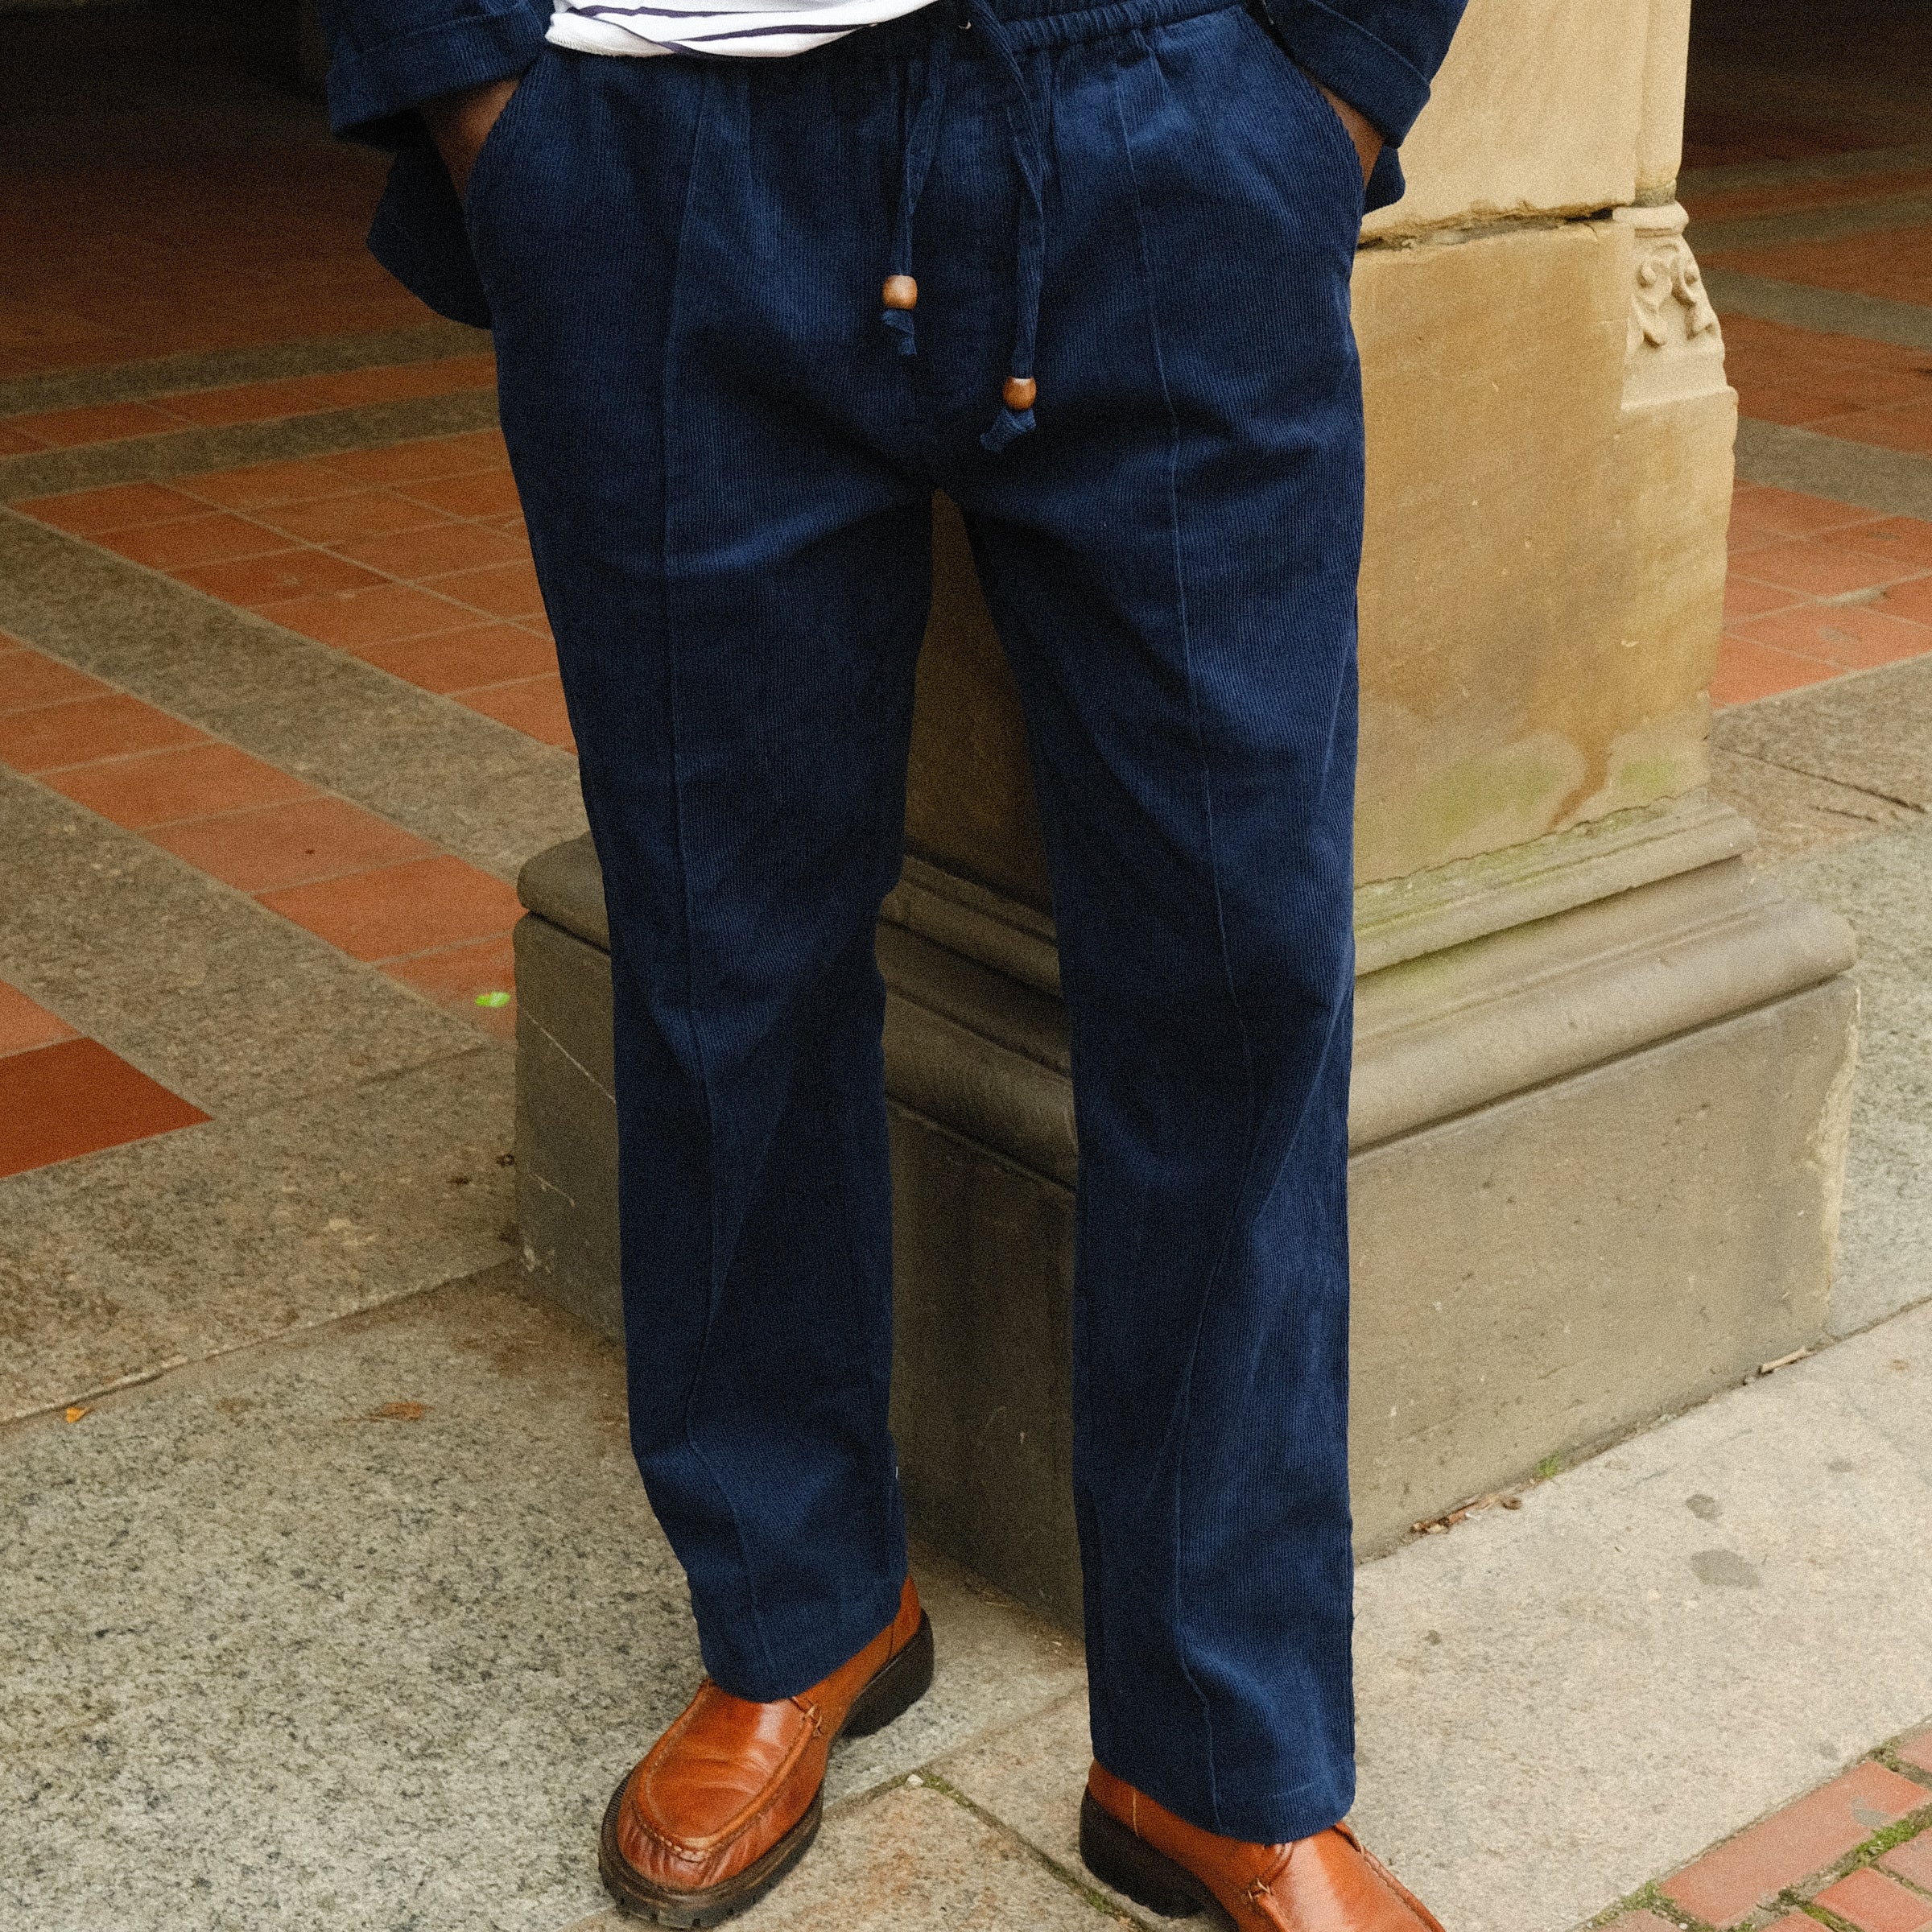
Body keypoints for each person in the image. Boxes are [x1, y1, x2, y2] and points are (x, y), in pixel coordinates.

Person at [320, 0, 1468, 1914]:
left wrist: (1326, 84)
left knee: (1239, 973)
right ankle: (796, 1611)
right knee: (717, 946)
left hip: (1173, 116)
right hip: (649, 136)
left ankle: (1220, 1747)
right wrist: (483, 101)